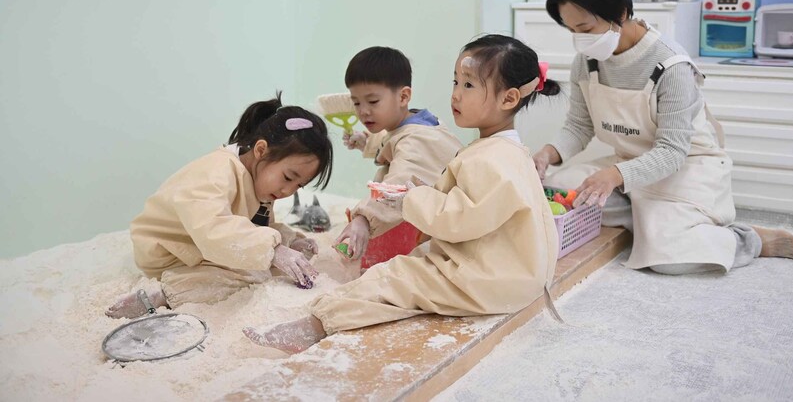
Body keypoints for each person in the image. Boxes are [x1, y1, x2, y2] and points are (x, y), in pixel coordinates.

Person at [243, 34, 561, 352]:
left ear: (508, 99)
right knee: (417, 264)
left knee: (392, 278)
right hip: (513, 271)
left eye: (468, 85)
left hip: (493, 278)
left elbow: (460, 219)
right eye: (455, 82)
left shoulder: (489, 158)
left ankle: (316, 324)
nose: (455, 95)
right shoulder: (508, 150)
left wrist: (411, 199)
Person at [532, 0, 793, 275]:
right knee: (558, 190)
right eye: (570, 30)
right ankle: (649, 219)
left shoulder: (671, 65)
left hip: (685, 167)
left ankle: (748, 240)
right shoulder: (588, 61)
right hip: (628, 166)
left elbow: (672, 152)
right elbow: (579, 126)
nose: (579, 39)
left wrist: (613, 176)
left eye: (585, 28)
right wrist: (547, 154)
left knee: (672, 262)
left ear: (620, 13)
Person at [106, 94, 334, 318]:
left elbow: (257, 223)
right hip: (168, 250)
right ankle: (162, 294)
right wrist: (273, 249)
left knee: (262, 258)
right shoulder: (217, 172)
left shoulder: (260, 179)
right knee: (251, 273)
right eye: (288, 177)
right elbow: (213, 228)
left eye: (298, 185)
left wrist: (289, 240)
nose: (288, 191)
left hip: (197, 244)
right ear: (261, 150)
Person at [334, 46, 463, 266]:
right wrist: (368, 142)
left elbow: (400, 183)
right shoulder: (416, 122)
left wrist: (364, 219)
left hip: (442, 234)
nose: (363, 111)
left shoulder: (418, 141)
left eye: (373, 102)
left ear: (403, 96)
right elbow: (394, 139)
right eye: (356, 102)